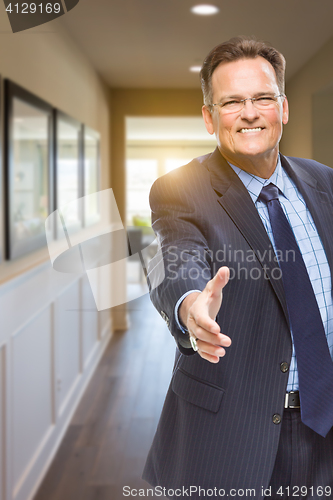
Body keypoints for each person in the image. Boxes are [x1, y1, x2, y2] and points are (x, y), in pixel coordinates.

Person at [143, 36, 333, 499]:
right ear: (210, 117)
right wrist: (191, 309)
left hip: (325, 423)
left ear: (282, 108)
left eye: (263, 97)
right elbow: (177, 259)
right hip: (234, 436)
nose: (250, 113)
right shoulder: (180, 189)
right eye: (232, 102)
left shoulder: (324, 181)